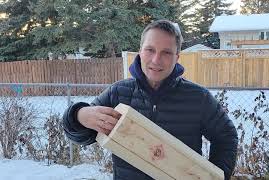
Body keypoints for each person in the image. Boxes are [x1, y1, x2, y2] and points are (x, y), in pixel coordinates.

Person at [63, 19, 238, 180]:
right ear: (140, 51)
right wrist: (80, 114)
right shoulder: (118, 93)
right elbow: (83, 136)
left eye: (166, 52)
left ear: (177, 57)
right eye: (150, 49)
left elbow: (226, 137)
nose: (156, 59)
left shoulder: (199, 98)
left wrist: (213, 175)